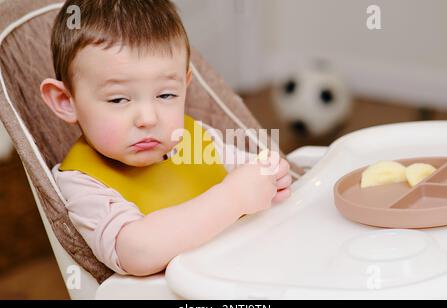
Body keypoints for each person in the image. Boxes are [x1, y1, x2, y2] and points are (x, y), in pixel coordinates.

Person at [40, 0, 292, 276]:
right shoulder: (83, 181)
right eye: (118, 99)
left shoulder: (195, 138)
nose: (148, 118)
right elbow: (138, 252)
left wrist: (272, 176)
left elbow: (252, 172)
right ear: (66, 101)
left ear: (185, 85)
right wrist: (234, 196)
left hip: (249, 268)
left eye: (165, 95)